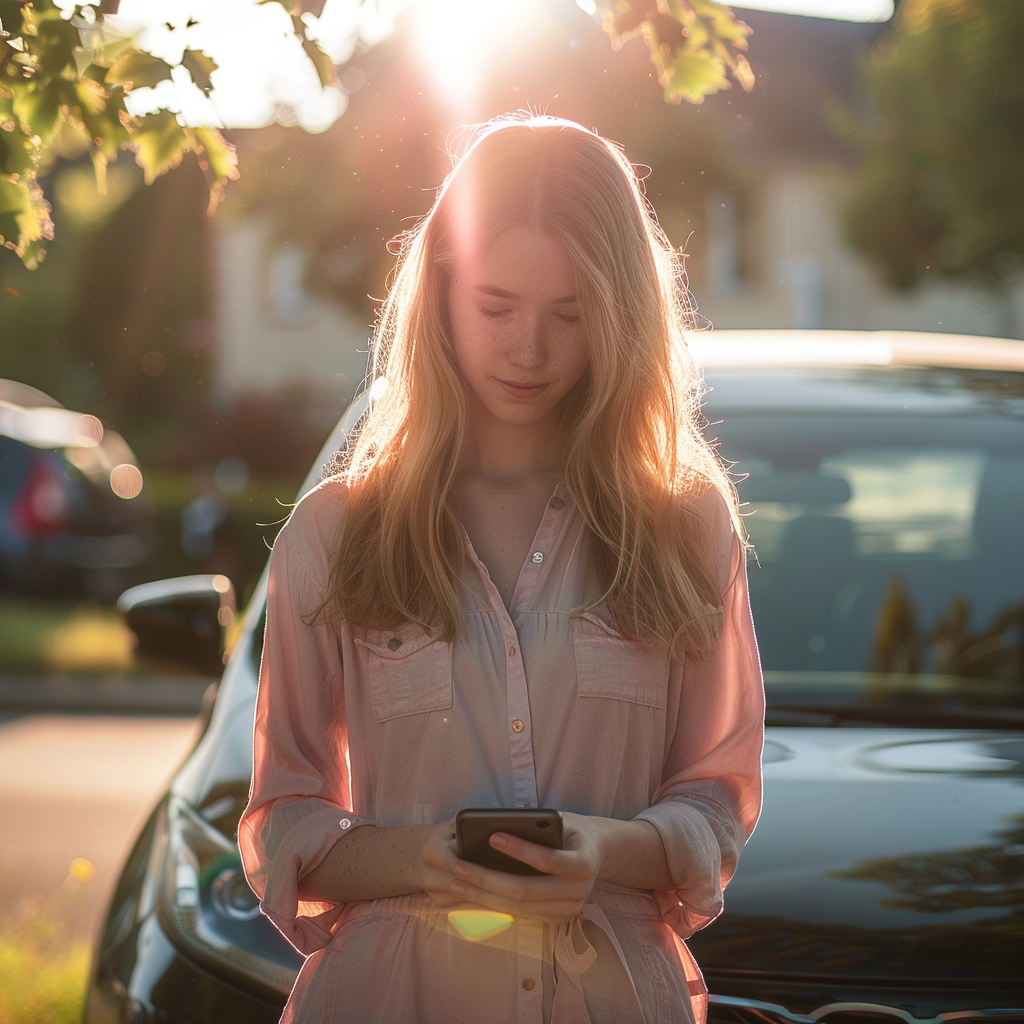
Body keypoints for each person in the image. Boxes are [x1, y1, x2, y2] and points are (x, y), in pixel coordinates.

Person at [238, 114, 764, 1024]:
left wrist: (604, 851)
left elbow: (717, 806)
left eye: (570, 314)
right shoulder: (335, 533)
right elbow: (283, 825)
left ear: (622, 314)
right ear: (440, 292)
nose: (529, 349)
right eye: (497, 306)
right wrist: (426, 858)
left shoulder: (685, 524)